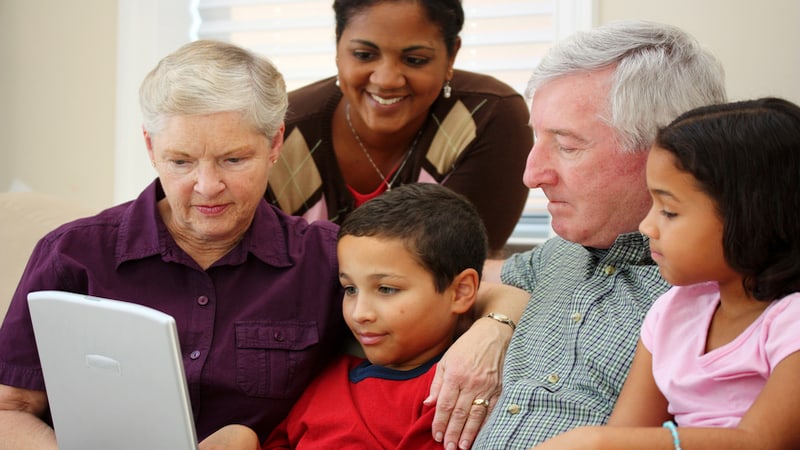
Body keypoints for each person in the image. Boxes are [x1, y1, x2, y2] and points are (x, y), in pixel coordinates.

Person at [0, 40, 521, 450]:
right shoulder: (72, 253)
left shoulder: (326, 257)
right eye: (181, 161)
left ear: (274, 145)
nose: (206, 186)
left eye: (232, 160)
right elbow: (11, 410)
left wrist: (494, 329)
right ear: (150, 147)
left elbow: (495, 281)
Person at [474, 20, 728, 448]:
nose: (531, 174)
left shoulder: (721, 294)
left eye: (567, 146)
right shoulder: (560, 254)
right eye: (537, 139)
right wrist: (495, 323)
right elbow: (463, 282)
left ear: (667, 151)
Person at [533, 97, 800, 449]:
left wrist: (599, 441)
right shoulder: (670, 313)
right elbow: (626, 433)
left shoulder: (790, 322)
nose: (647, 226)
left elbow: (761, 442)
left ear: (754, 218)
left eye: (669, 211)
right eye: (652, 204)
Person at [264, 0, 532, 257]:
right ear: (338, 45)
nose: (387, 80)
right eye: (364, 55)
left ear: (452, 56)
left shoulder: (486, 119)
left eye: (415, 60)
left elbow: (451, 267)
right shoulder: (278, 130)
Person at [262, 182, 488, 449]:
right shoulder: (331, 374)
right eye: (350, 289)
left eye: (386, 289)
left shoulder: (450, 393)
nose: (360, 314)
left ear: (460, 292)